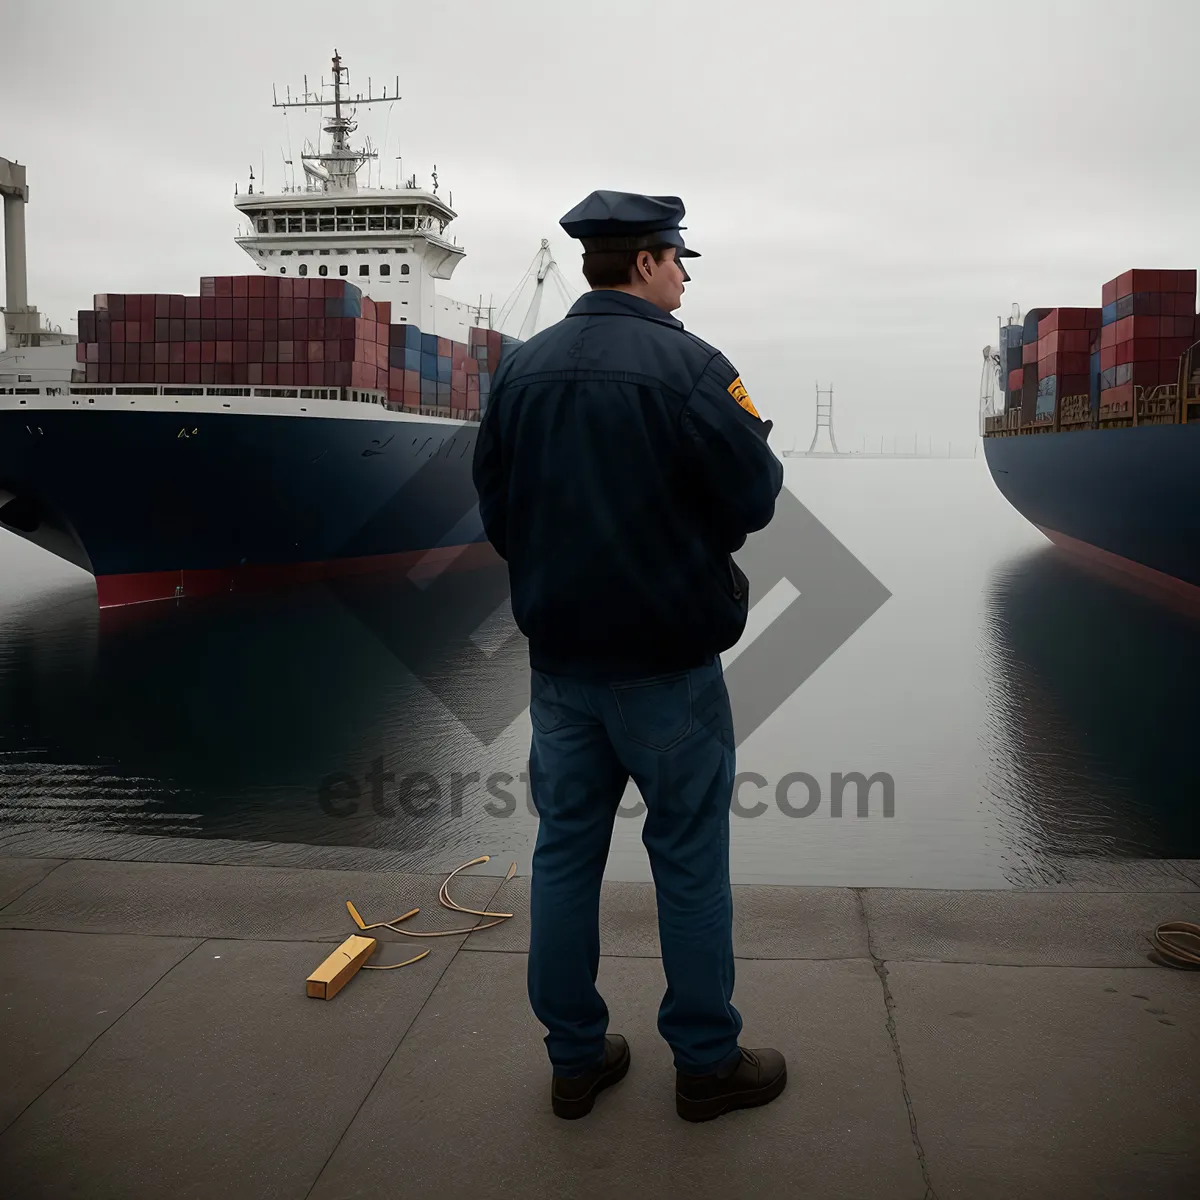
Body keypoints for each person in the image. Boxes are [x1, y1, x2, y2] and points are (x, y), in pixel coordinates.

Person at [471, 189, 786, 1122]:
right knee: (688, 859)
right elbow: (756, 496)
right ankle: (705, 1065)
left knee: (563, 856)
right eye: (679, 258)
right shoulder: (693, 368)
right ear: (646, 261)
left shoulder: (519, 371)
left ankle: (575, 1061)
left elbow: (496, 506)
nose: (685, 273)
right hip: (670, 667)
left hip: (560, 666)